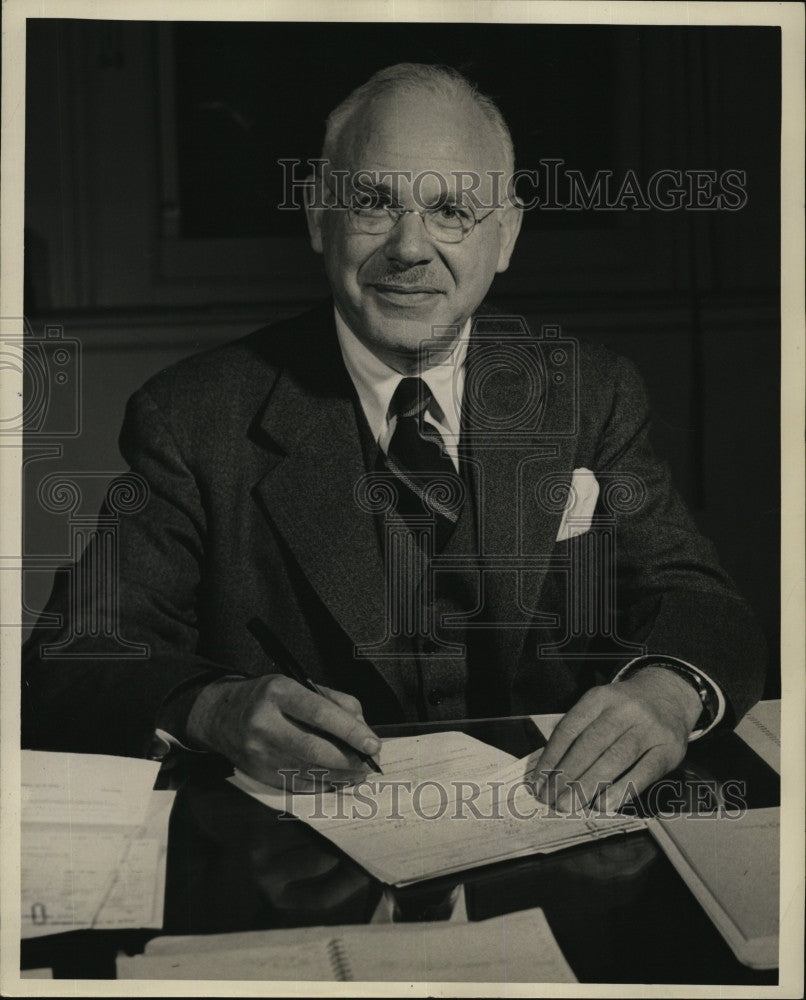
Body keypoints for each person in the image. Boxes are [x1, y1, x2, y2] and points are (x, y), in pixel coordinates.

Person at [22, 63, 765, 812]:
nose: (410, 248)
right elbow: (71, 658)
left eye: (452, 211)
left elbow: (699, 601)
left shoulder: (588, 393)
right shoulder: (193, 417)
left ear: (504, 236)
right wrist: (208, 708)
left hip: (551, 847)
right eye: (374, 203)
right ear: (318, 218)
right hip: (299, 870)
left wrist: (669, 692)